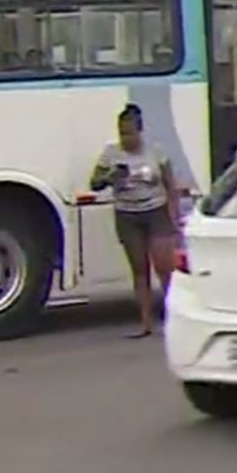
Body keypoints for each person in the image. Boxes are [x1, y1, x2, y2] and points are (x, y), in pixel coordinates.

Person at [89, 103, 179, 338]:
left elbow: (170, 185)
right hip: (127, 214)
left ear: (140, 131)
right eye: (121, 133)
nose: (125, 138)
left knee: (164, 268)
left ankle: (174, 317)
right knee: (140, 269)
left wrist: (174, 217)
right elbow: (94, 183)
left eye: (129, 133)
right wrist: (109, 177)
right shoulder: (111, 154)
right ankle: (146, 322)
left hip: (156, 211)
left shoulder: (156, 152)